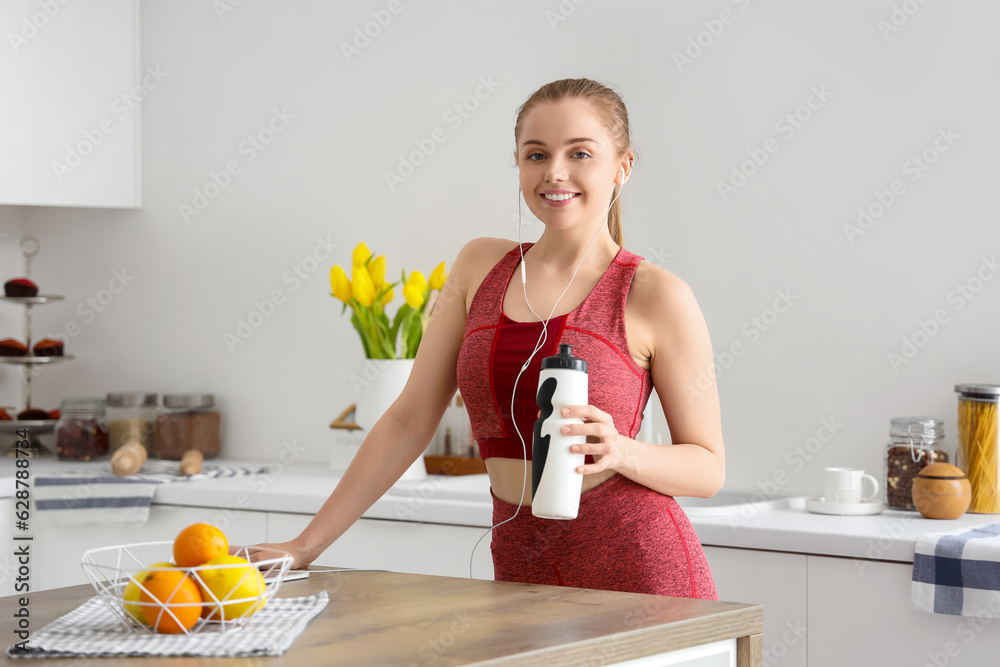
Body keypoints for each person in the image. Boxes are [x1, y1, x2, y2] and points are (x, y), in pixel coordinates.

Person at [252, 78, 724, 599]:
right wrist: (304, 546)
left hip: (638, 570)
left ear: (622, 167)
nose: (555, 173)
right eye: (537, 154)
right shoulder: (481, 266)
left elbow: (707, 467)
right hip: (521, 565)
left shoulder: (653, 294)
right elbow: (409, 420)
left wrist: (621, 451)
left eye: (580, 153)